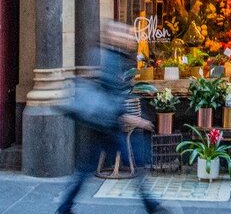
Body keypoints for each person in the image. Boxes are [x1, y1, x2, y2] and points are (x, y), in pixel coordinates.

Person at [58, 20, 160, 214]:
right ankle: (151, 205)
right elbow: (112, 95)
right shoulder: (110, 58)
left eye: (128, 33)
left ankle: (65, 206)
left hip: (104, 123)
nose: (129, 36)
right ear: (112, 37)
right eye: (123, 33)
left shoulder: (112, 57)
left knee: (88, 168)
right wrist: (136, 120)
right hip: (108, 124)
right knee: (135, 163)